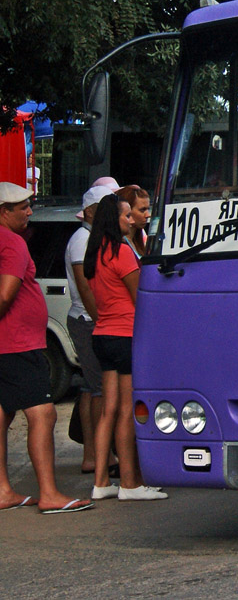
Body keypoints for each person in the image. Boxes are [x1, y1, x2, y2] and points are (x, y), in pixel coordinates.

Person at [0, 182, 94, 513]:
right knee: (43, 413)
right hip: (17, 343)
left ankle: (2, 490)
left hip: (9, 343)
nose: (29, 212)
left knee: (3, 413)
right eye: (23, 207)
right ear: (4, 212)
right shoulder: (12, 243)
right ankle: (49, 493)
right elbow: (5, 295)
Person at [85, 194, 166, 501]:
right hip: (125, 335)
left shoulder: (95, 251)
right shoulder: (121, 251)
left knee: (108, 410)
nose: (131, 220)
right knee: (125, 411)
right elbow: (140, 297)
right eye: (126, 216)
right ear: (114, 219)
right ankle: (130, 483)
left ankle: (101, 481)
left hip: (103, 334)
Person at [65, 186, 118, 477]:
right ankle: (101, 455)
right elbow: (85, 286)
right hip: (88, 320)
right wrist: (101, 320)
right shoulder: (82, 240)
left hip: (89, 319)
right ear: (89, 212)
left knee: (90, 389)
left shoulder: (90, 238)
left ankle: (93, 455)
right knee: (99, 390)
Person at [115, 185, 151, 259]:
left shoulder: (138, 242)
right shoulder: (119, 246)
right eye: (142, 210)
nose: (148, 215)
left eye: (148, 209)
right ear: (127, 210)